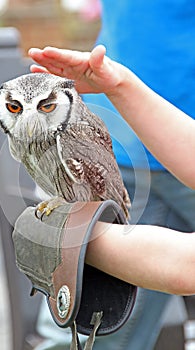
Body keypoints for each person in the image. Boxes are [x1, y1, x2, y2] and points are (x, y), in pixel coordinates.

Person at [28, 43, 195, 348]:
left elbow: (186, 265)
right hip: (138, 139)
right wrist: (119, 84)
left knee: (98, 318)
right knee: (89, 324)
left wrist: (70, 237)